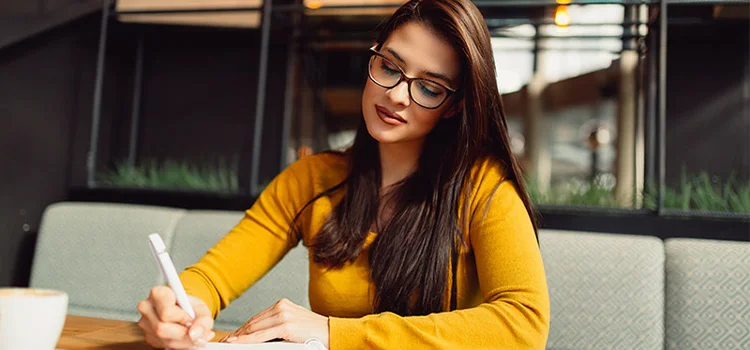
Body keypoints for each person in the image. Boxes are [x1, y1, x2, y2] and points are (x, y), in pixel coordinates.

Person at [136, 0, 550, 348]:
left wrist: (336, 332)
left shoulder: (484, 188)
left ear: (454, 106)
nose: (396, 94)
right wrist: (179, 307)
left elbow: (524, 324)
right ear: (374, 56)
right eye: (390, 66)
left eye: (429, 88)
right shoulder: (311, 179)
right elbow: (213, 276)